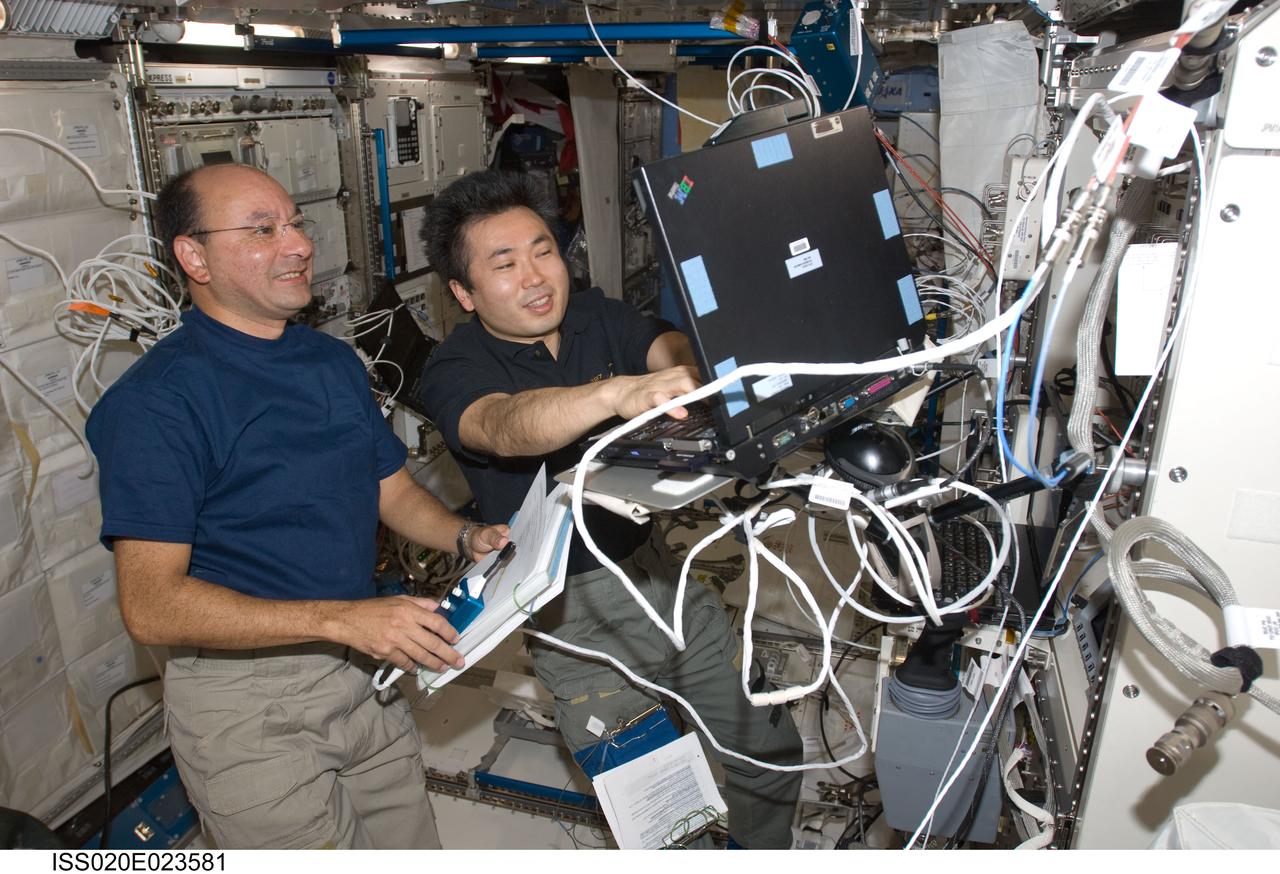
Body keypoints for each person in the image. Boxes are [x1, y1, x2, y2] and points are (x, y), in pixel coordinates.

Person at [85, 164, 509, 849]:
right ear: (192, 256)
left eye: (295, 224)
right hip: (247, 706)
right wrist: (341, 617)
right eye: (261, 229)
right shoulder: (157, 404)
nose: (298, 244)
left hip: (357, 669)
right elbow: (150, 605)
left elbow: (391, 490)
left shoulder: (330, 362)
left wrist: (466, 539)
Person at [418, 169, 802, 849]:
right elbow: (503, 426)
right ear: (463, 292)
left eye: (543, 251)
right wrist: (615, 395)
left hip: (660, 580)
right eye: (504, 264)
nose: (537, 277)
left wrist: (695, 359)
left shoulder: (597, 316)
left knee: (769, 753)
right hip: (570, 620)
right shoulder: (456, 369)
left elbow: (669, 348)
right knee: (664, 818)